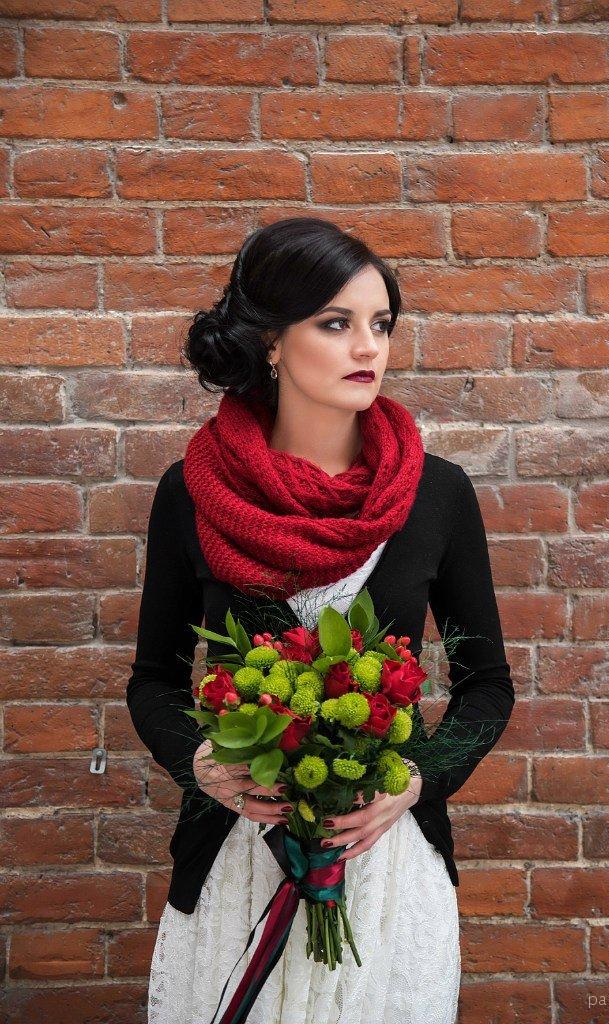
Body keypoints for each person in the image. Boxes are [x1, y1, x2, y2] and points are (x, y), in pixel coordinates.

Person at [127, 216, 514, 1023]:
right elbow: (154, 679)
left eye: (381, 324)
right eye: (335, 324)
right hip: (238, 856)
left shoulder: (435, 494)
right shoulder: (191, 493)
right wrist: (201, 762)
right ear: (270, 341)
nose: (367, 347)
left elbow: (487, 684)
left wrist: (414, 780)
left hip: (386, 860)